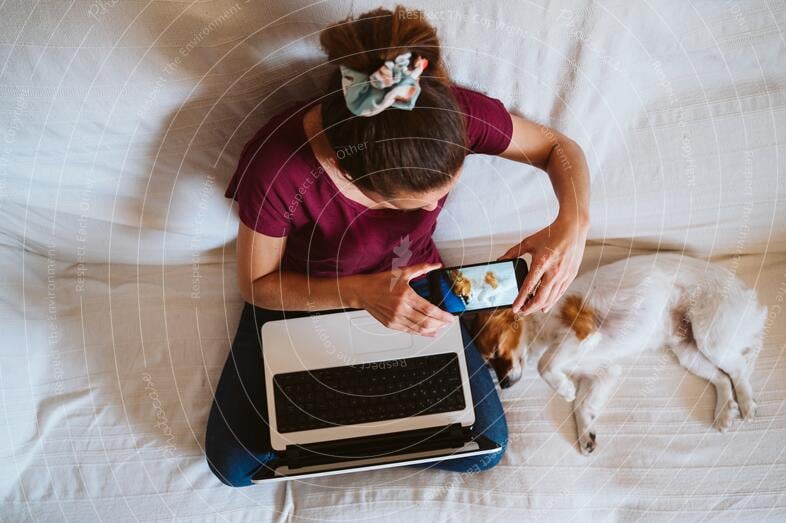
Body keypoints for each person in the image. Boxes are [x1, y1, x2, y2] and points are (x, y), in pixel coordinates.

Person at [205, 6, 591, 487]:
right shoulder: (280, 169)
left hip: (420, 289)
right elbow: (257, 283)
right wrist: (364, 293)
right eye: (409, 203)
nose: (434, 206)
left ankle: (357, 442)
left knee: (482, 447)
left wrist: (573, 223)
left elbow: (558, 148)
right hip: (302, 297)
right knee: (235, 464)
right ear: (350, 174)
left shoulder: (442, 111)